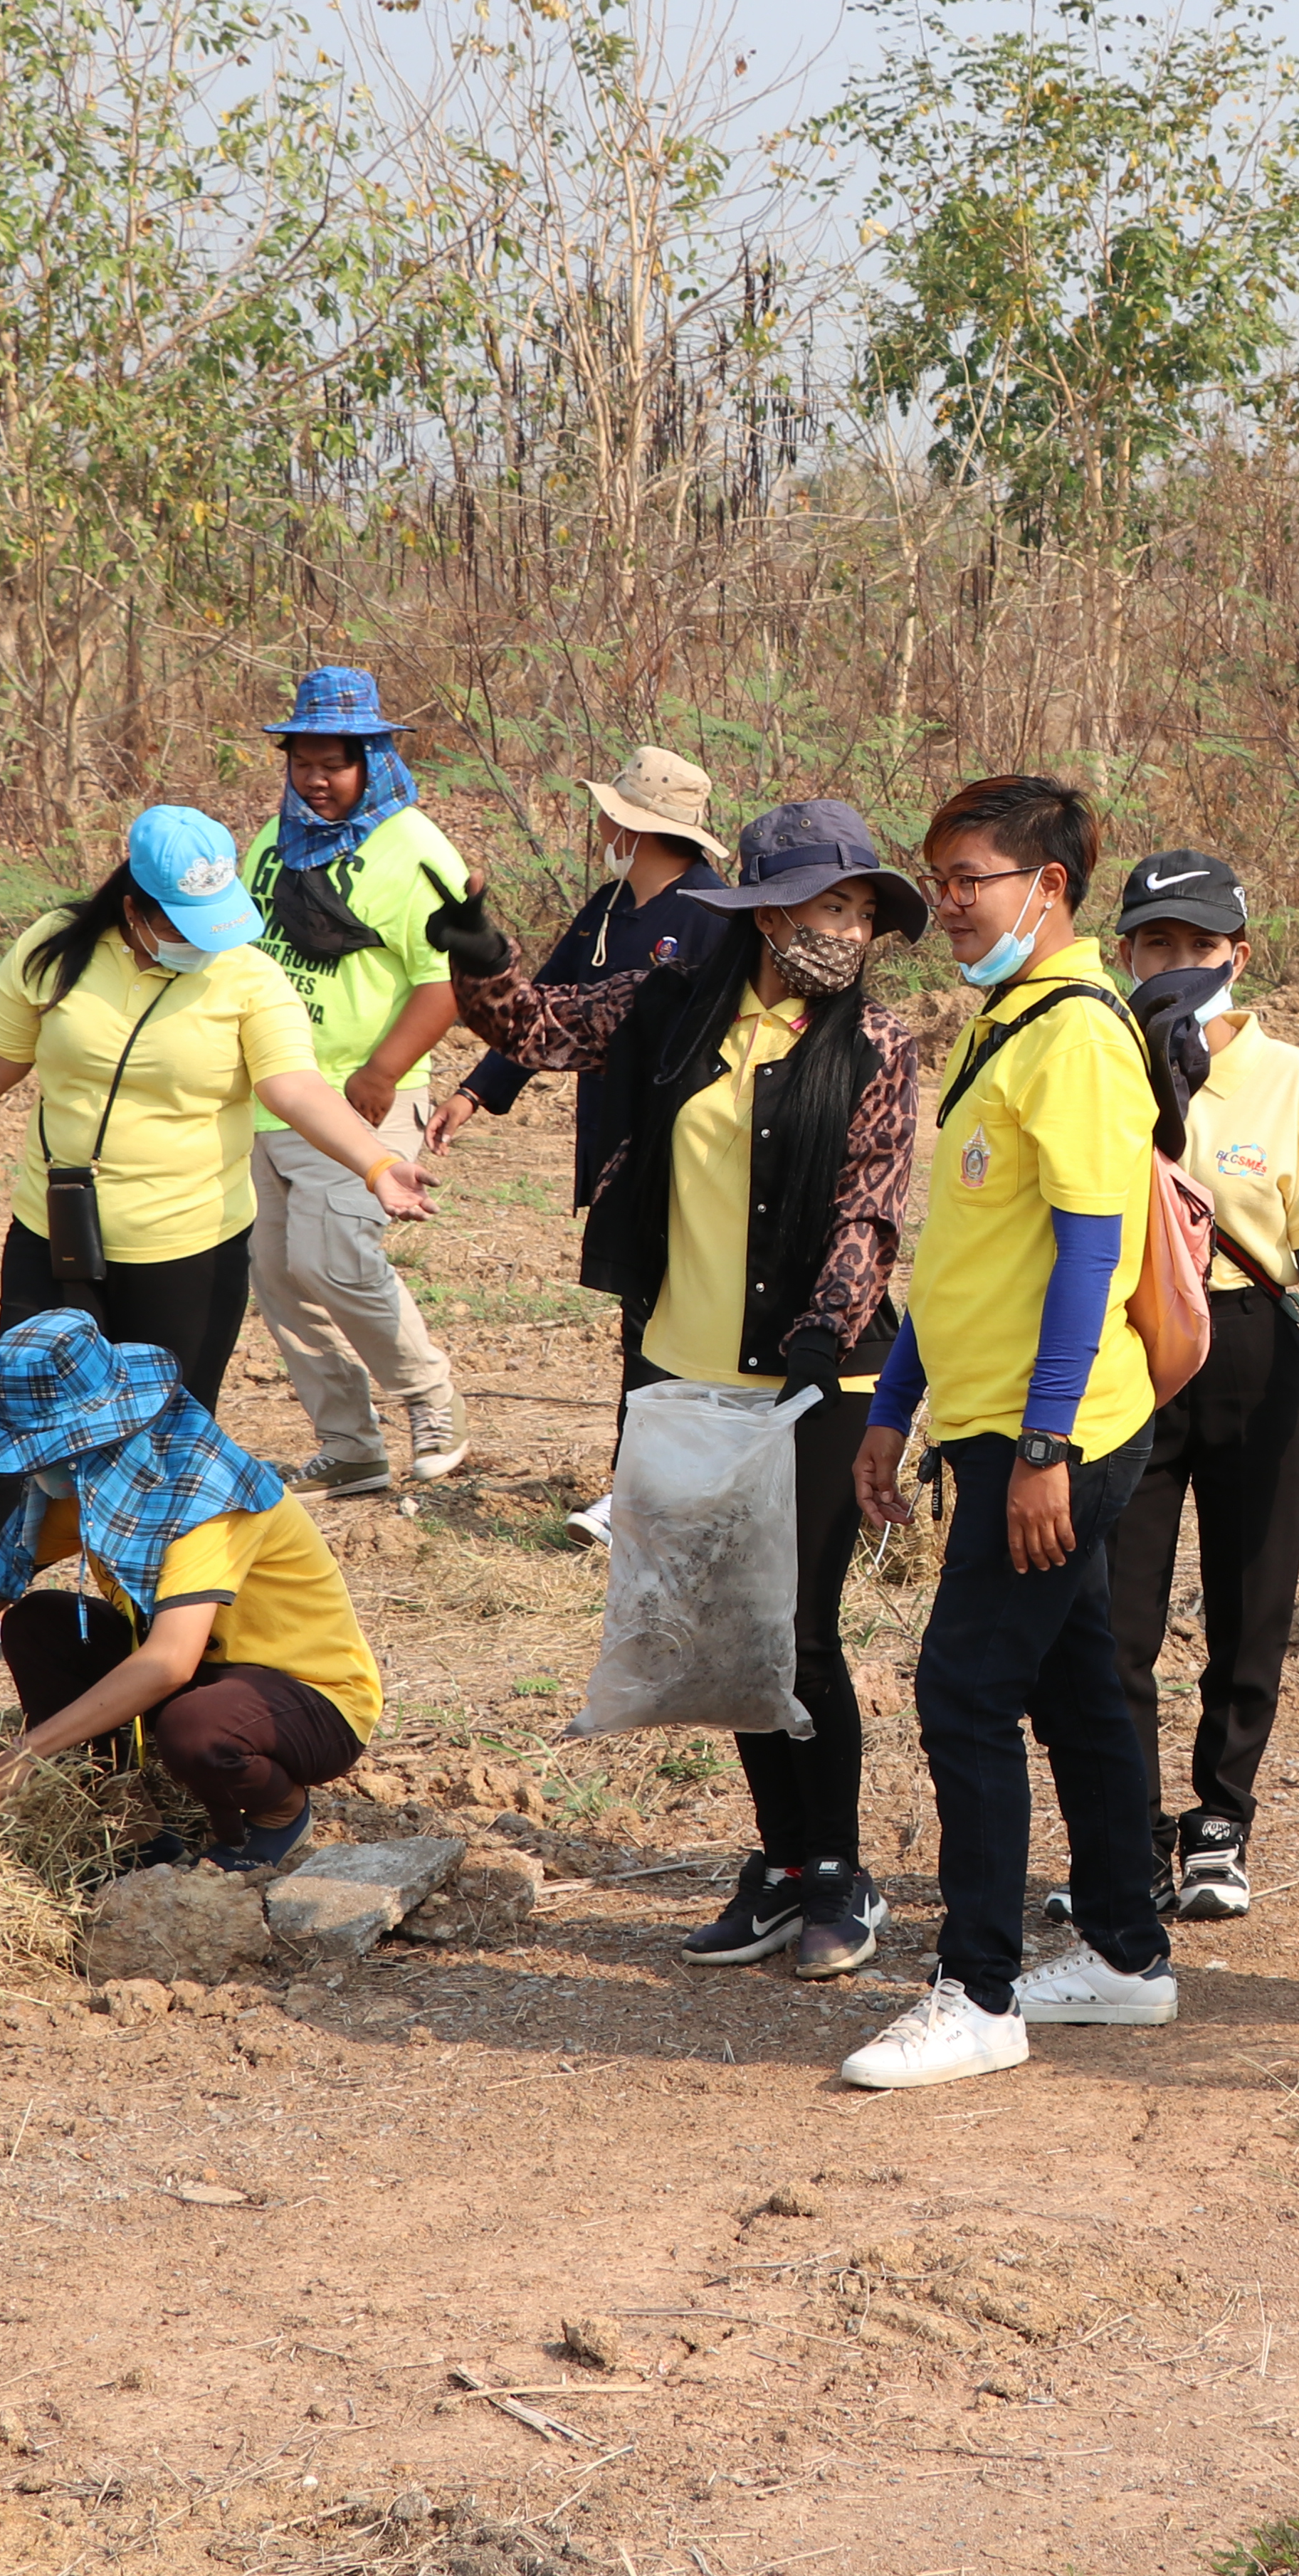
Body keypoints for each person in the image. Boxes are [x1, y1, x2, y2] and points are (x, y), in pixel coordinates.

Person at [421, 803, 930, 1983]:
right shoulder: (672, 1004)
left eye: (860, 911)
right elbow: (535, 1028)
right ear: (762, 913)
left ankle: (840, 1873)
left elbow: (873, 1206)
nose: (846, 931)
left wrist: (825, 1323)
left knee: (797, 1631)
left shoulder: (879, 1045)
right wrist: (477, 951)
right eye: (825, 906)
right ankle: (782, 1865)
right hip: (683, 1376)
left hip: (820, 1381)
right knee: (724, 1638)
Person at [0, 806, 433, 1655]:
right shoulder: (56, 950)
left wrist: (376, 1164)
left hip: (189, 1248)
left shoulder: (248, 976)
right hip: (55, 1234)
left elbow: (296, 1087)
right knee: (25, 1421)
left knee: (164, 1444)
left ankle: (145, 1631)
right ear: (134, 906)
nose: (204, 941)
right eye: (183, 925)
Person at [837, 776, 1179, 2090]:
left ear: (1050, 888)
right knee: (1076, 1688)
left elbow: (1094, 1251)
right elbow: (967, 1251)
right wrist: (895, 1406)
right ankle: (1125, 1954)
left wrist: (1043, 1451)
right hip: (984, 1421)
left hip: (1064, 1436)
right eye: (942, 878)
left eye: (972, 878)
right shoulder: (1009, 1023)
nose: (950, 902)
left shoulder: (1080, 1033)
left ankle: (975, 1990)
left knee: (964, 1690)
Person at [1090, 849, 1299, 1923]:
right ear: (1124, 954)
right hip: (1129, 1352)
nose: (1179, 964)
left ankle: (1221, 1823)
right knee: (1115, 1622)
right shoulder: (1100, 1058)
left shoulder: (1293, 1077)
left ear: (1241, 957)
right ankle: (1122, 1838)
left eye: (1202, 948)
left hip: (1256, 1349)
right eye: (1156, 945)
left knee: (1249, 1605)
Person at [0, 1311, 382, 1872]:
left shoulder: (205, 1494)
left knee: (197, 1730)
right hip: (203, 1680)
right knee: (37, 1623)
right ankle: (125, 1817)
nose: (45, 1470)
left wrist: (25, 1754)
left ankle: (280, 1812)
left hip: (305, 1700)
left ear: (112, 1429)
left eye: (54, 1450)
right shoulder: (84, 1488)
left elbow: (169, 1665)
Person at [236, 667, 470, 1499]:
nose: (315, 779)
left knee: (333, 1257)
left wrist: (382, 1071)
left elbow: (448, 980)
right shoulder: (273, 842)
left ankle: (429, 1396)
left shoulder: (417, 851)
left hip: (365, 1093)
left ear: (372, 760)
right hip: (270, 1093)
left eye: (334, 762)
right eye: (302, 760)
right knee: (278, 1272)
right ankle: (349, 1444)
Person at [420, 744, 725, 1179]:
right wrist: (474, 1093)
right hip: (602, 1125)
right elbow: (542, 1009)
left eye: (607, 812)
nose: (599, 825)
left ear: (631, 827)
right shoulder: (607, 905)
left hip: (673, 1148)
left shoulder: (713, 915)